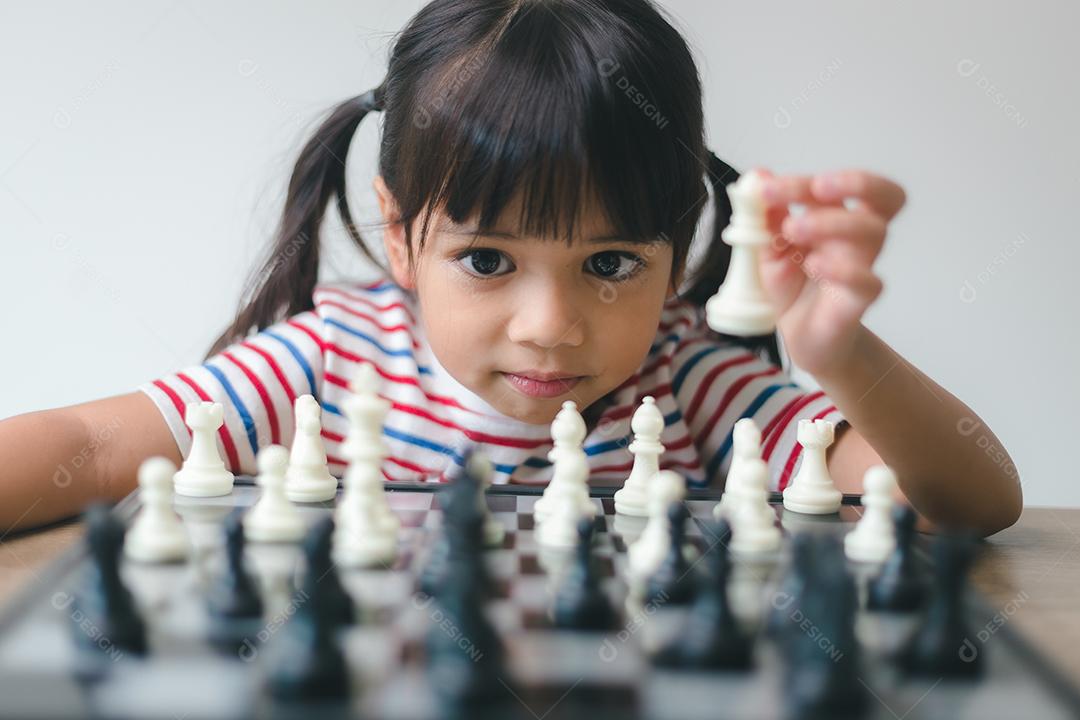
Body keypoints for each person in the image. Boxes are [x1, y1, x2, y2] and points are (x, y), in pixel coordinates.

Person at [0, 0, 1020, 536]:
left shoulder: (694, 377)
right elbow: (88, 448)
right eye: (487, 258)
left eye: (612, 261)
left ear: (681, 245)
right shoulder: (328, 361)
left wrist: (840, 355)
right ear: (399, 236)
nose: (550, 324)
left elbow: (971, 504)